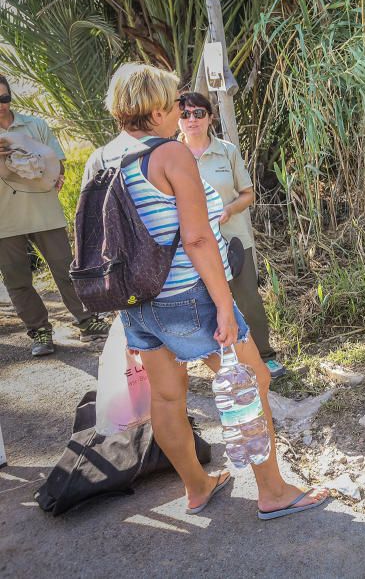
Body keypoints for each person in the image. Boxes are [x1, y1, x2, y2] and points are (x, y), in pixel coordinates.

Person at [102, 63, 327, 518]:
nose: (179, 110)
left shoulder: (102, 156)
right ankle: (273, 492)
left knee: (167, 396)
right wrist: (224, 304)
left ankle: (198, 487)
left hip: (139, 302)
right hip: (188, 296)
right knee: (252, 380)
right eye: (174, 102)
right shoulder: (170, 155)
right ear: (159, 107)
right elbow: (199, 237)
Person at [176, 92, 284, 379]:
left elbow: (248, 194)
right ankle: (225, 362)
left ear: (210, 117)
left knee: (247, 298)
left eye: (199, 113)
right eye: (185, 114)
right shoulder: (172, 155)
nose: (192, 120)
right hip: (191, 246)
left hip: (233, 240)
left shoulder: (227, 151)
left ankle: (265, 356)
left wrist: (228, 209)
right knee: (202, 303)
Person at [0, 74, 110, 355]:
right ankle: (40, 332)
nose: (1, 104)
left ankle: (87, 321)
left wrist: (52, 172)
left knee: (66, 269)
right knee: (17, 280)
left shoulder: (35, 125)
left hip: (44, 211)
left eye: (4, 97)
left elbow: (57, 164)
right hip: (4, 219)